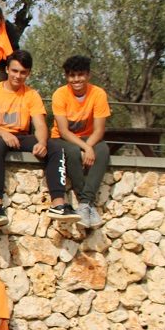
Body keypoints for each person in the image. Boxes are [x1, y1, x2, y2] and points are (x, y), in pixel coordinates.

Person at [0, 49, 79, 227]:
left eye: (23, 72)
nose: (18, 76)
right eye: (15, 71)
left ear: (28, 73)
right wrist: (4, 133)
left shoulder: (32, 94)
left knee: (55, 147)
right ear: (7, 70)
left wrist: (42, 143)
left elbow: (40, 125)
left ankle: (58, 203)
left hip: (20, 136)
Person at [50, 55, 110, 229]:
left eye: (80, 75)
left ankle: (84, 204)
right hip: (63, 138)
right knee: (72, 152)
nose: (76, 79)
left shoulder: (98, 94)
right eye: (72, 75)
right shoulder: (60, 94)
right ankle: (86, 202)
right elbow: (63, 131)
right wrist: (85, 148)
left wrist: (88, 147)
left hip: (88, 137)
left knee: (103, 150)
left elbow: (99, 129)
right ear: (66, 77)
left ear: (88, 75)